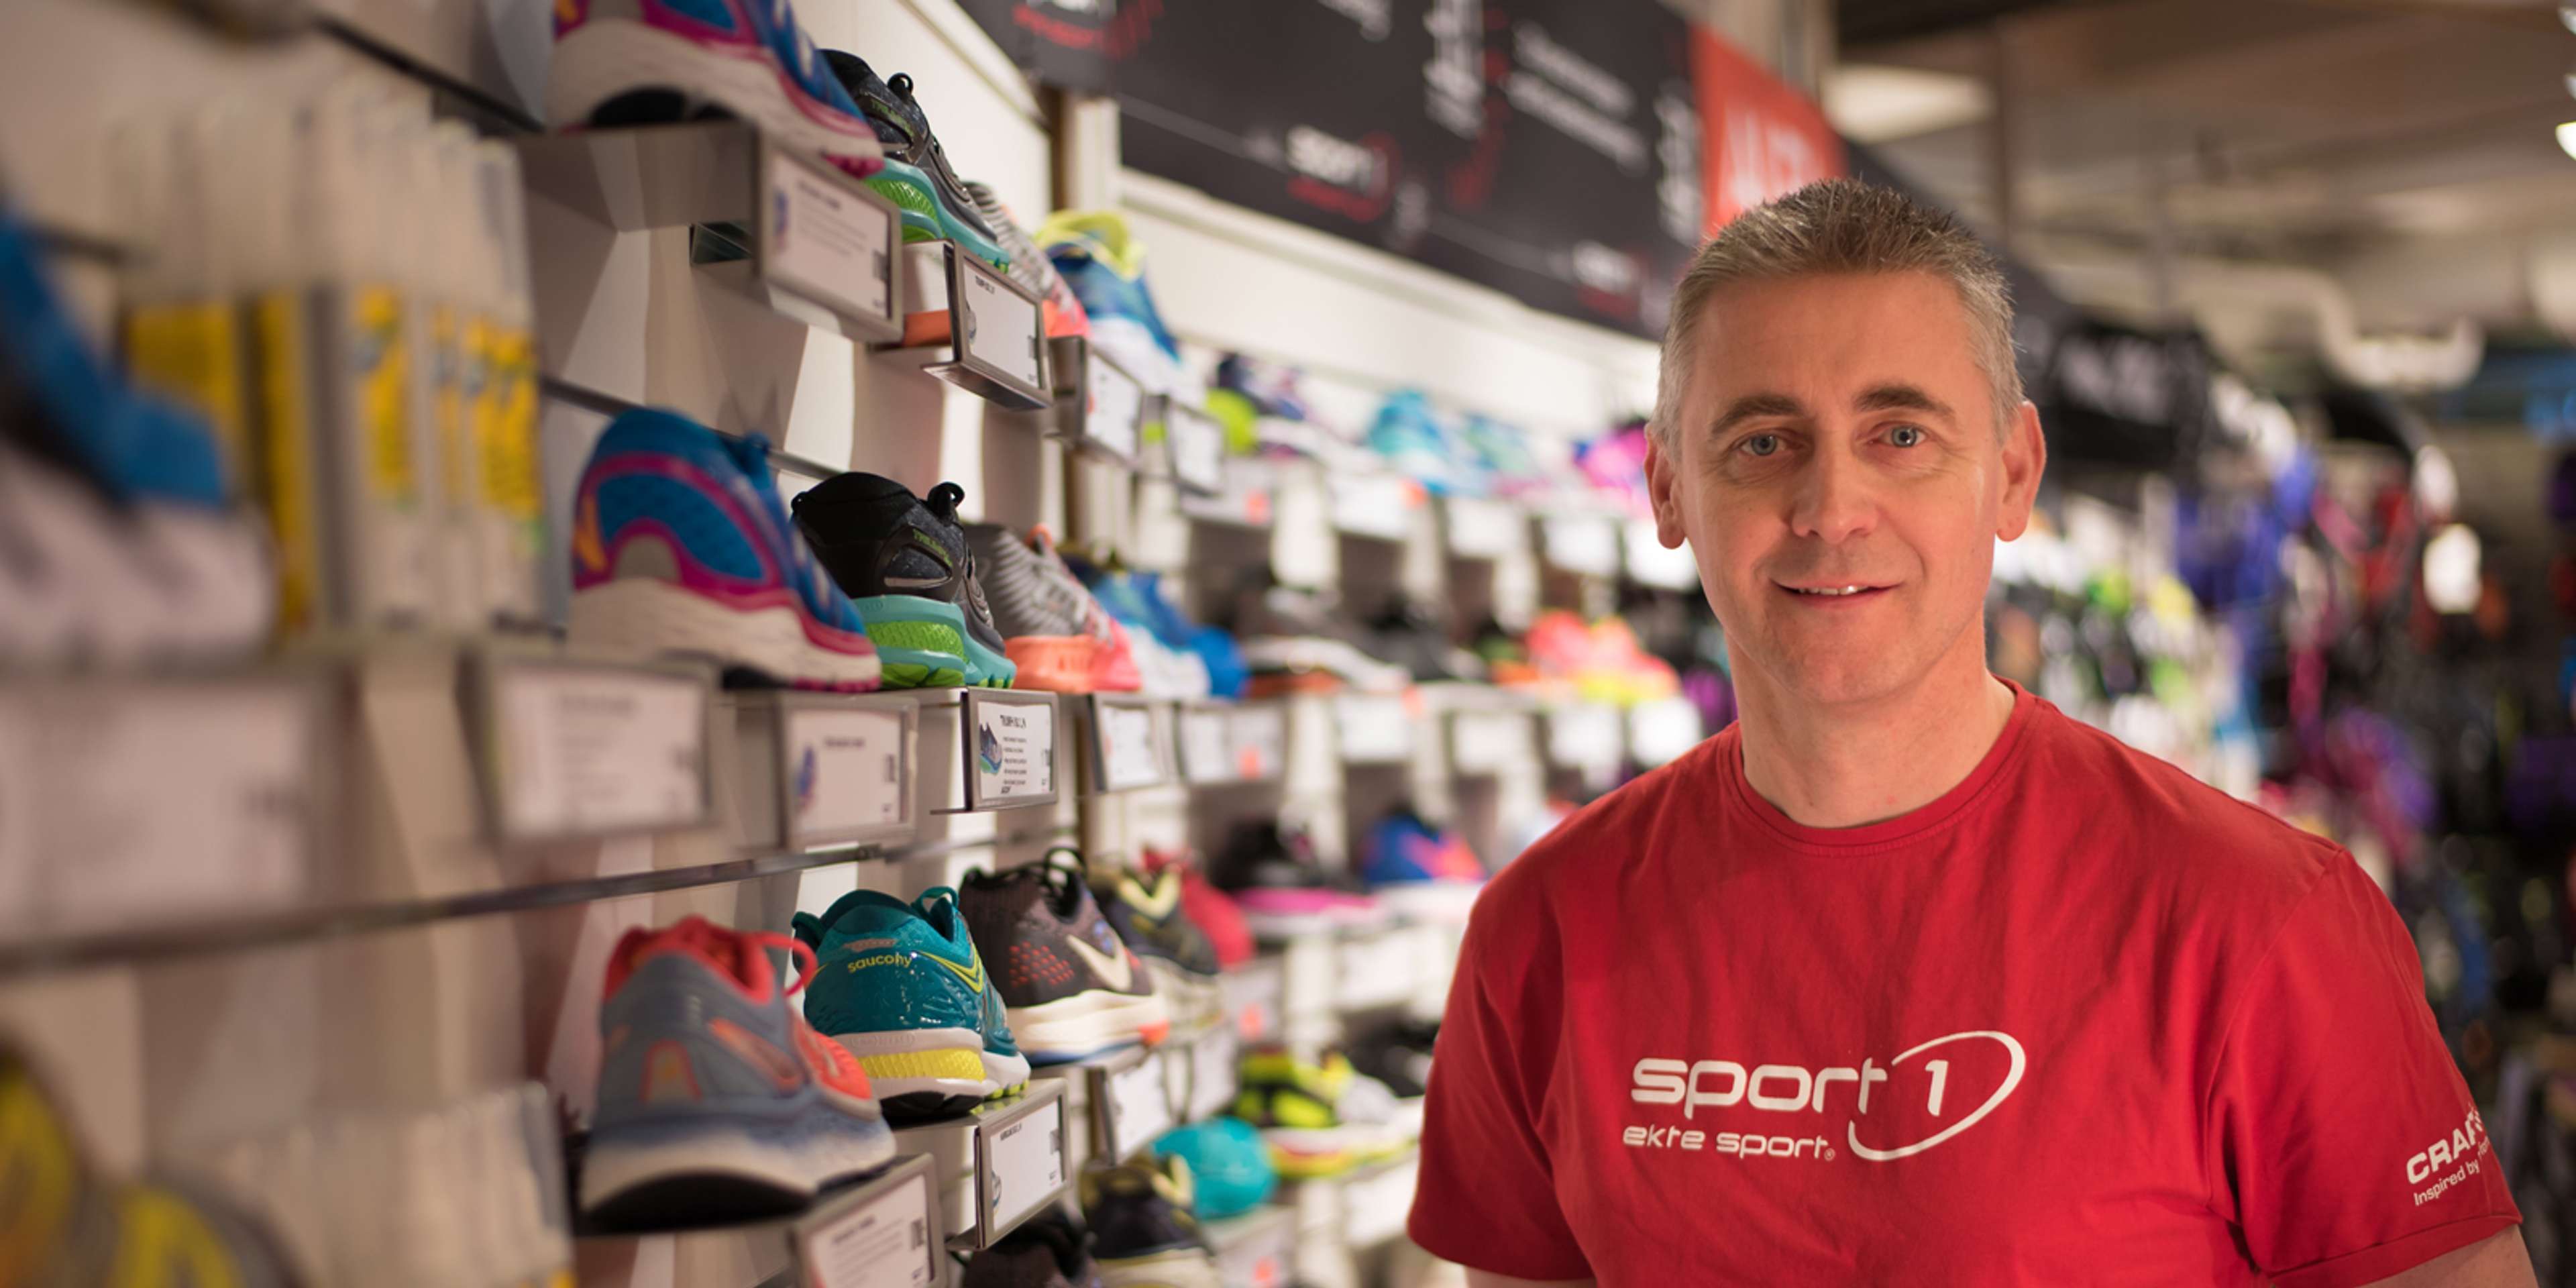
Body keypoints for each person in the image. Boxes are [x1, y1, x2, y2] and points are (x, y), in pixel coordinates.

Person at [1405, 180, 2534, 1287]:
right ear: (1666, 489)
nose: (1832, 510)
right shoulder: (1541, 931)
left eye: (1900, 434)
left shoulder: (2264, 921)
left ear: (2013, 474)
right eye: (1761, 442)